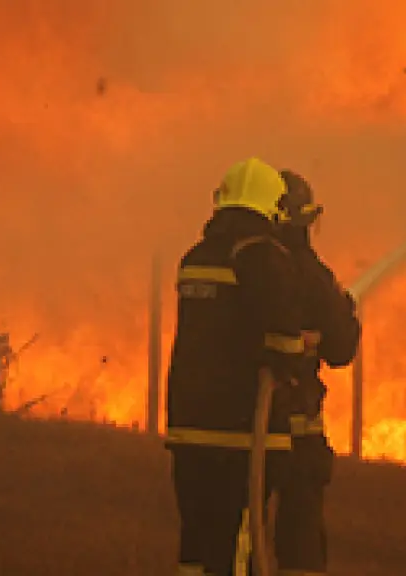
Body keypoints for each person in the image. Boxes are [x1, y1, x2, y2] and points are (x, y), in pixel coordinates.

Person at [165, 157, 306, 576]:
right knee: (240, 549)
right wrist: (291, 358)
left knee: (197, 544)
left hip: (189, 431)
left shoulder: (196, 257)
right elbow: (285, 338)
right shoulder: (262, 257)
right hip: (244, 437)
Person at [273, 169, 361, 576]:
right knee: (301, 544)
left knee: (237, 534)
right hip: (297, 433)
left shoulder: (239, 264)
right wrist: (345, 314)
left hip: (240, 431)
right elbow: (341, 349)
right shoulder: (310, 274)